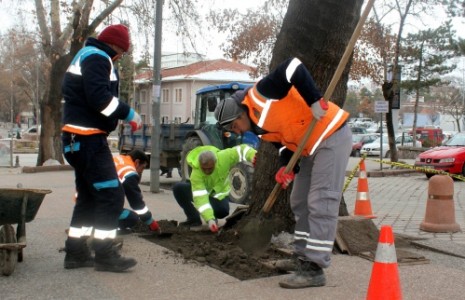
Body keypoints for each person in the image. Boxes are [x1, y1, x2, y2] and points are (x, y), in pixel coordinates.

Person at [214, 57, 351, 289]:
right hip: (308, 148)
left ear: (240, 113)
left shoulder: (261, 94)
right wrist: (285, 167)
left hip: (331, 135)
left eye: (232, 125)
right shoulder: (258, 127)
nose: (234, 131)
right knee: (299, 201)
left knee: (321, 200)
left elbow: (292, 66)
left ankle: (314, 268)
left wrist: (314, 99)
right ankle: (301, 257)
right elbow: (285, 145)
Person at [61, 24, 142, 273]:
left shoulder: (87, 55)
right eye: (122, 53)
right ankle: (104, 254)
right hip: (88, 139)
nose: (121, 57)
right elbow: (99, 99)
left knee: (88, 196)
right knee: (111, 195)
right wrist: (129, 113)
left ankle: (75, 253)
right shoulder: (98, 57)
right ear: (116, 47)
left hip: (77, 139)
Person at [173, 144, 256, 233]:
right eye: (204, 169)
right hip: (204, 193)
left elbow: (241, 150)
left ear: (215, 162)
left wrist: (253, 156)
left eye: (210, 168)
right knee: (178, 188)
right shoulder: (196, 174)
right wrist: (210, 220)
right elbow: (201, 199)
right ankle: (193, 219)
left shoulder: (224, 158)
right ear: (200, 165)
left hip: (218, 194)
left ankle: (214, 214)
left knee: (222, 211)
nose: (207, 171)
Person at [113, 149, 160, 233]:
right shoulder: (129, 173)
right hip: (102, 206)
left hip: (90, 202)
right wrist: (150, 221)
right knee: (132, 218)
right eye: (143, 167)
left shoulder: (119, 159)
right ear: (137, 162)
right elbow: (136, 203)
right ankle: (110, 229)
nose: (141, 171)